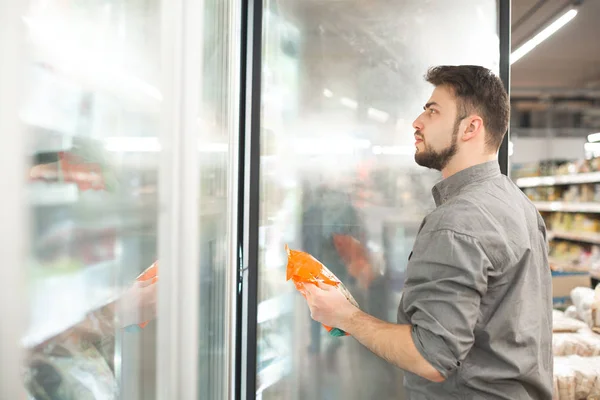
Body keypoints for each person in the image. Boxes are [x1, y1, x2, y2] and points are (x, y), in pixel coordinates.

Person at [303, 65, 553, 399]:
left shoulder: (456, 221)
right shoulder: (519, 205)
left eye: (433, 112)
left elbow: (431, 357)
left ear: (471, 128)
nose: (417, 123)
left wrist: (345, 316)